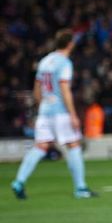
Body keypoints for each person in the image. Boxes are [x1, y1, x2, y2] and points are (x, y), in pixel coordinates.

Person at [11, 29, 97, 199]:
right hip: (61, 112)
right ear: (70, 44)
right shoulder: (64, 63)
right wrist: (72, 114)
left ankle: (19, 181)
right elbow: (64, 89)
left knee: (40, 146)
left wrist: (41, 106)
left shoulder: (45, 61)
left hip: (45, 111)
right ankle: (80, 188)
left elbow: (37, 89)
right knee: (74, 145)